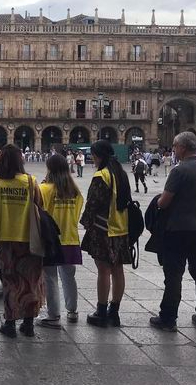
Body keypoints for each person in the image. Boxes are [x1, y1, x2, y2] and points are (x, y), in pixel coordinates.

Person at [150, 132, 196, 331]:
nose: (173, 149)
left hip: (178, 229)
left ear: (183, 147)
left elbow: (164, 202)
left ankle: (168, 317)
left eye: (175, 146)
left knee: (173, 274)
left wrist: (158, 200)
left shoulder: (179, 171)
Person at [0, 144, 45, 338]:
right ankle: (29, 323)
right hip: (30, 239)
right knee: (30, 281)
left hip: (6, 240)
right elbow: (41, 206)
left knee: (10, 280)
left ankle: (10, 323)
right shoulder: (31, 182)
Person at [80, 140, 132, 327]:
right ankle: (114, 312)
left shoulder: (102, 175)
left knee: (104, 270)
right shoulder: (121, 174)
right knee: (118, 269)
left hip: (104, 229)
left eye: (93, 154)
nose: (92, 158)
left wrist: (85, 224)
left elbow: (93, 203)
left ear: (99, 155)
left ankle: (101, 311)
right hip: (121, 228)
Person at [37, 153, 84, 329]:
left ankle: (53, 315)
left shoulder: (45, 189)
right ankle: (72, 311)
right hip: (70, 238)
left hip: (51, 239)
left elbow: (39, 212)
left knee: (50, 277)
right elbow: (77, 213)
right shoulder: (75, 190)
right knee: (69, 276)